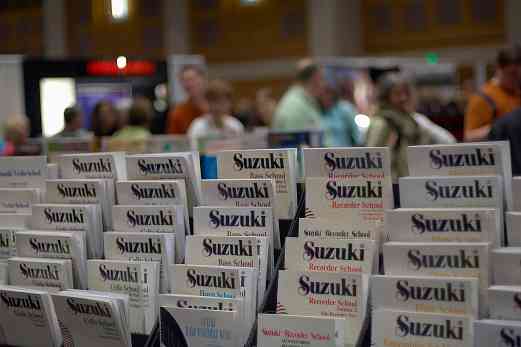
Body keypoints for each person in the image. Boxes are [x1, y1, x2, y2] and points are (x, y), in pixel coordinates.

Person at [365, 73, 455, 179]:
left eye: (406, 93)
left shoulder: (412, 119)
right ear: (386, 96)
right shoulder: (382, 123)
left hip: (411, 181)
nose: (403, 98)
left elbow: (447, 141)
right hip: (393, 185)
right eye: (397, 94)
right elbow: (371, 159)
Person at [464, 45, 521, 141]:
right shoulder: (482, 98)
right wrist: (503, 127)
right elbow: (469, 137)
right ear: (499, 69)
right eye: (512, 73)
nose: (517, 79)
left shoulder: (517, 92)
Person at [272, 59, 324, 131]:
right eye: (322, 78)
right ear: (315, 78)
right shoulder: (295, 106)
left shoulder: (304, 102)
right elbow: (296, 141)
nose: (324, 84)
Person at [188, 79, 244, 144]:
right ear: (207, 102)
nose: (217, 107)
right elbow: (195, 152)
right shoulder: (198, 126)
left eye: (222, 102)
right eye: (213, 101)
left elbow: (239, 151)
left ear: (229, 103)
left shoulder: (235, 125)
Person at [166, 65, 209, 134]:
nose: (189, 84)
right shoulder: (178, 113)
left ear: (203, 79)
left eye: (192, 79)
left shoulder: (218, 106)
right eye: (185, 81)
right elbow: (173, 140)